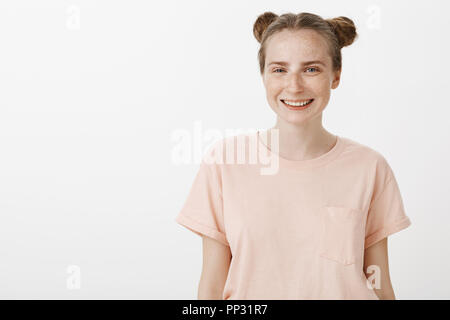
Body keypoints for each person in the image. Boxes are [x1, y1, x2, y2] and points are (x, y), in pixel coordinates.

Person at [175, 11, 412, 300]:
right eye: (279, 69)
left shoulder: (370, 167)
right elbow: (211, 286)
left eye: (311, 69)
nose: (294, 85)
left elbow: (379, 283)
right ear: (263, 75)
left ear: (335, 76)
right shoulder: (225, 162)